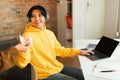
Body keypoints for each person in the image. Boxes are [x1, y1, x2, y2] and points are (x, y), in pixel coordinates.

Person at [15, 5, 94, 80]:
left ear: (45, 17)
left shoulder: (49, 33)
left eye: (40, 15)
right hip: (44, 74)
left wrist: (79, 51)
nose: (37, 19)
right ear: (30, 19)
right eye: (33, 16)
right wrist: (23, 51)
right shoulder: (27, 36)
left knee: (85, 75)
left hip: (56, 67)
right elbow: (21, 64)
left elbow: (60, 50)